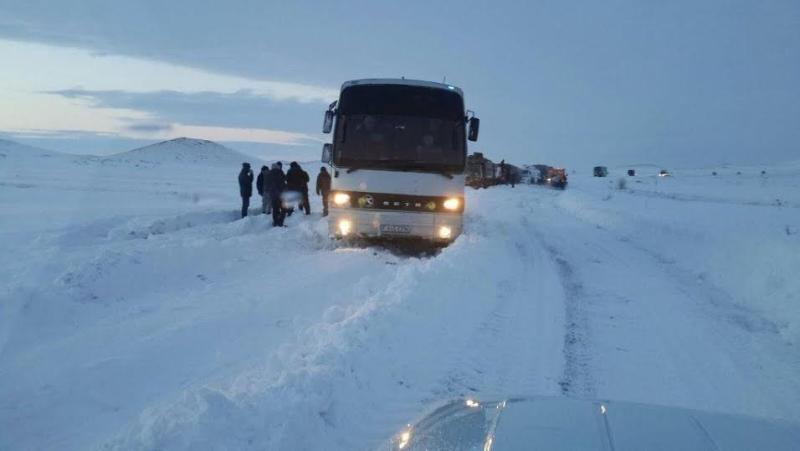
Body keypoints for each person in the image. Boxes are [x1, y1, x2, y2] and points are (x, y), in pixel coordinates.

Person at [266, 162, 286, 226]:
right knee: (283, 208)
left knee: (275, 209)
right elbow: (282, 183)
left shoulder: (268, 174)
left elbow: (267, 184)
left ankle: (275, 222)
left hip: (272, 194)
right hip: (280, 194)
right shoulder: (280, 172)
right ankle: (280, 222)